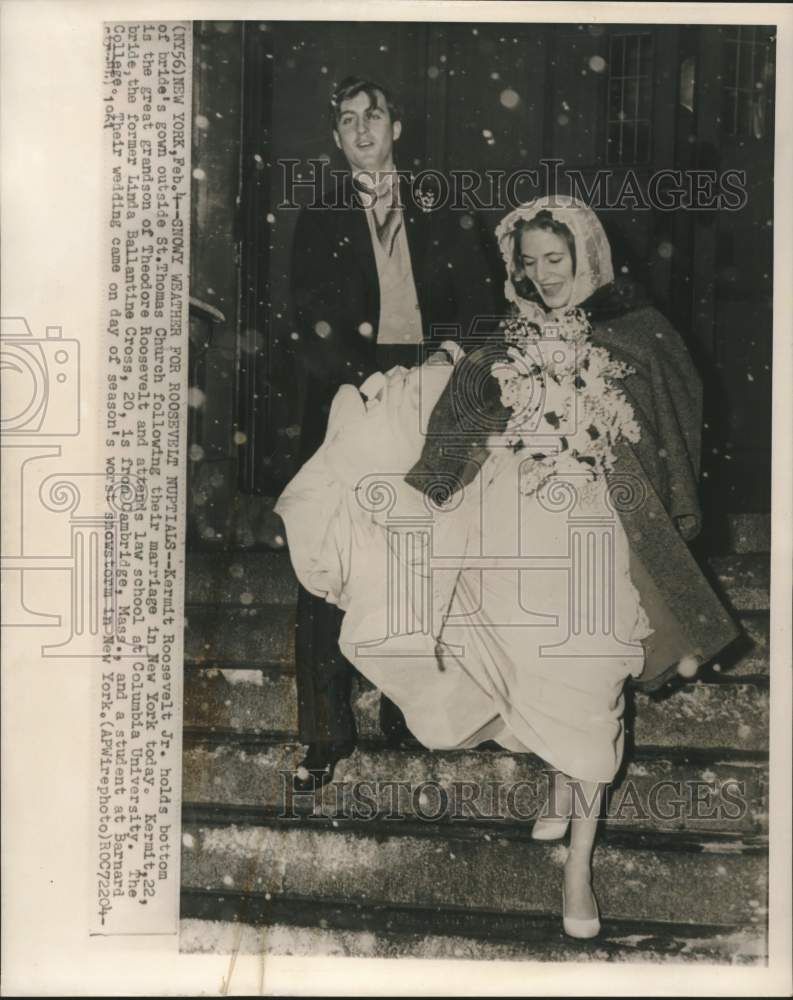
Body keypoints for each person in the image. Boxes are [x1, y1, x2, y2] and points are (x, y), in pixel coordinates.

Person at [275, 196, 738, 938]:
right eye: (529, 263)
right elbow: (460, 415)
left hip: (597, 536)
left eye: (555, 260)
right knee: (516, 668)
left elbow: (668, 428)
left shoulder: (639, 332)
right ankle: (558, 778)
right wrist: (442, 377)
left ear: (585, 254)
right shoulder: (507, 338)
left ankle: (580, 869)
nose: (544, 276)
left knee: (588, 681)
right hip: (516, 538)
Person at [288, 76, 498, 789]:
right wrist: (360, 375)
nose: (360, 130)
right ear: (338, 137)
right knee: (326, 550)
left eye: (371, 115)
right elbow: (305, 315)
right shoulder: (319, 215)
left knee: (421, 543)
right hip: (353, 390)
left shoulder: (441, 202)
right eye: (346, 121)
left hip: (433, 382)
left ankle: (408, 711)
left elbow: (478, 298)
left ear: (395, 126)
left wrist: (449, 354)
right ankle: (322, 731)